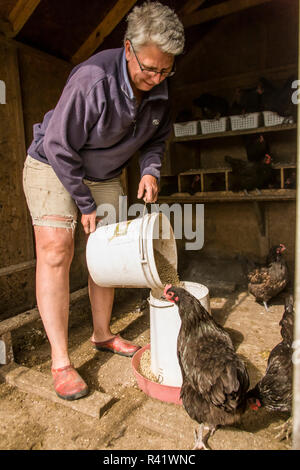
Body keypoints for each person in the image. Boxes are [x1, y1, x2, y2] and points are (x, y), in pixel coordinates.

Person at [22, 1, 185, 401]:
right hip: (54, 164)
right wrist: (84, 203)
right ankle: (60, 361)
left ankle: (101, 334)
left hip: (104, 173)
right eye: (149, 68)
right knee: (57, 248)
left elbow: (157, 136)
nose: (156, 77)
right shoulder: (93, 79)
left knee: (107, 255)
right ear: (128, 48)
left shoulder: (159, 85)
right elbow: (59, 144)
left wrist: (150, 170)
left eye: (165, 69)